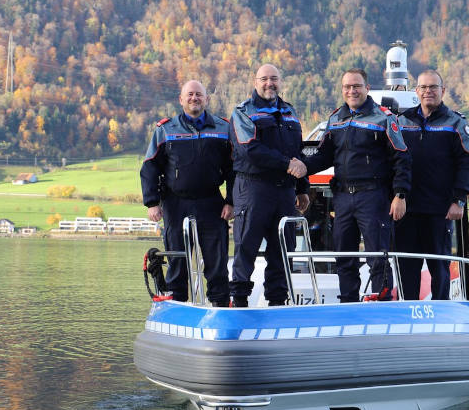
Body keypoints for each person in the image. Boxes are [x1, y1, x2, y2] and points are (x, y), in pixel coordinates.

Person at [300, 68, 411, 302]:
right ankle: (348, 303)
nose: (352, 91)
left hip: (373, 197)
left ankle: (382, 303)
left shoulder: (384, 118)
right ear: (342, 90)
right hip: (342, 198)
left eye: (357, 86)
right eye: (347, 87)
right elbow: (323, 156)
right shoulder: (335, 119)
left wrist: (400, 194)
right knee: (343, 256)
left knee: (377, 256)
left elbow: (401, 158)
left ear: (367, 88)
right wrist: (301, 167)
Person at [140, 80, 234, 306]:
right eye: (190, 94)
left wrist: (231, 201)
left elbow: (234, 169)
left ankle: (220, 306)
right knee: (177, 262)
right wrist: (152, 203)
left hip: (211, 203)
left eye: (199, 94)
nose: (194, 98)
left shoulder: (223, 128)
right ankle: (177, 305)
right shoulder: (165, 129)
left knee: (217, 261)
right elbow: (150, 166)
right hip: (175, 204)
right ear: (181, 99)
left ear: (207, 99)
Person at [229, 64, 311, 307]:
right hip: (253, 189)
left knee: (283, 249)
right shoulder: (243, 112)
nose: (269, 83)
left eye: (274, 78)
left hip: (285, 192)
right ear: (255, 82)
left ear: (280, 82)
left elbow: (298, 152)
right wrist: (287, 164)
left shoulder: (290, 112)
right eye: (264, 79)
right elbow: (250, 150)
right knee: (246, 247)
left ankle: (277, 302)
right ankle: (239, 302)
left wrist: (302, 188)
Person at [394, 70, 469, 300]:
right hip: (406, 209)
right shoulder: (401, 122)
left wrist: (458, 200)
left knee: (439, 268)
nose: (428, 91)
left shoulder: (456, 123)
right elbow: (392, 161)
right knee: (406, 267)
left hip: (439, 210)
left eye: (433, 87)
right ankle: (407, 310)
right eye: (423, 87)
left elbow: (466, 163)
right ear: (416, 91)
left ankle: (441, 308)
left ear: (443, 90)